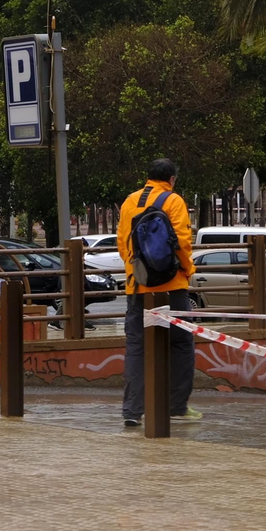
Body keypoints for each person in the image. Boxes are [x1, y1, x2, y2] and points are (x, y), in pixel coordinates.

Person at [117, 158, 200, 427]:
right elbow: (182, 243)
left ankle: (132, 411)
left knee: (137, 347)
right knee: (180, 344)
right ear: (172, 179)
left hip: (137, 286)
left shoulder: (130, 201)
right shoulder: (174, 201)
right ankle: (176, 406)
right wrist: (187, 270)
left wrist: (136, 272)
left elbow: (122, 242)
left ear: (148, 176)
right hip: (172, 287)